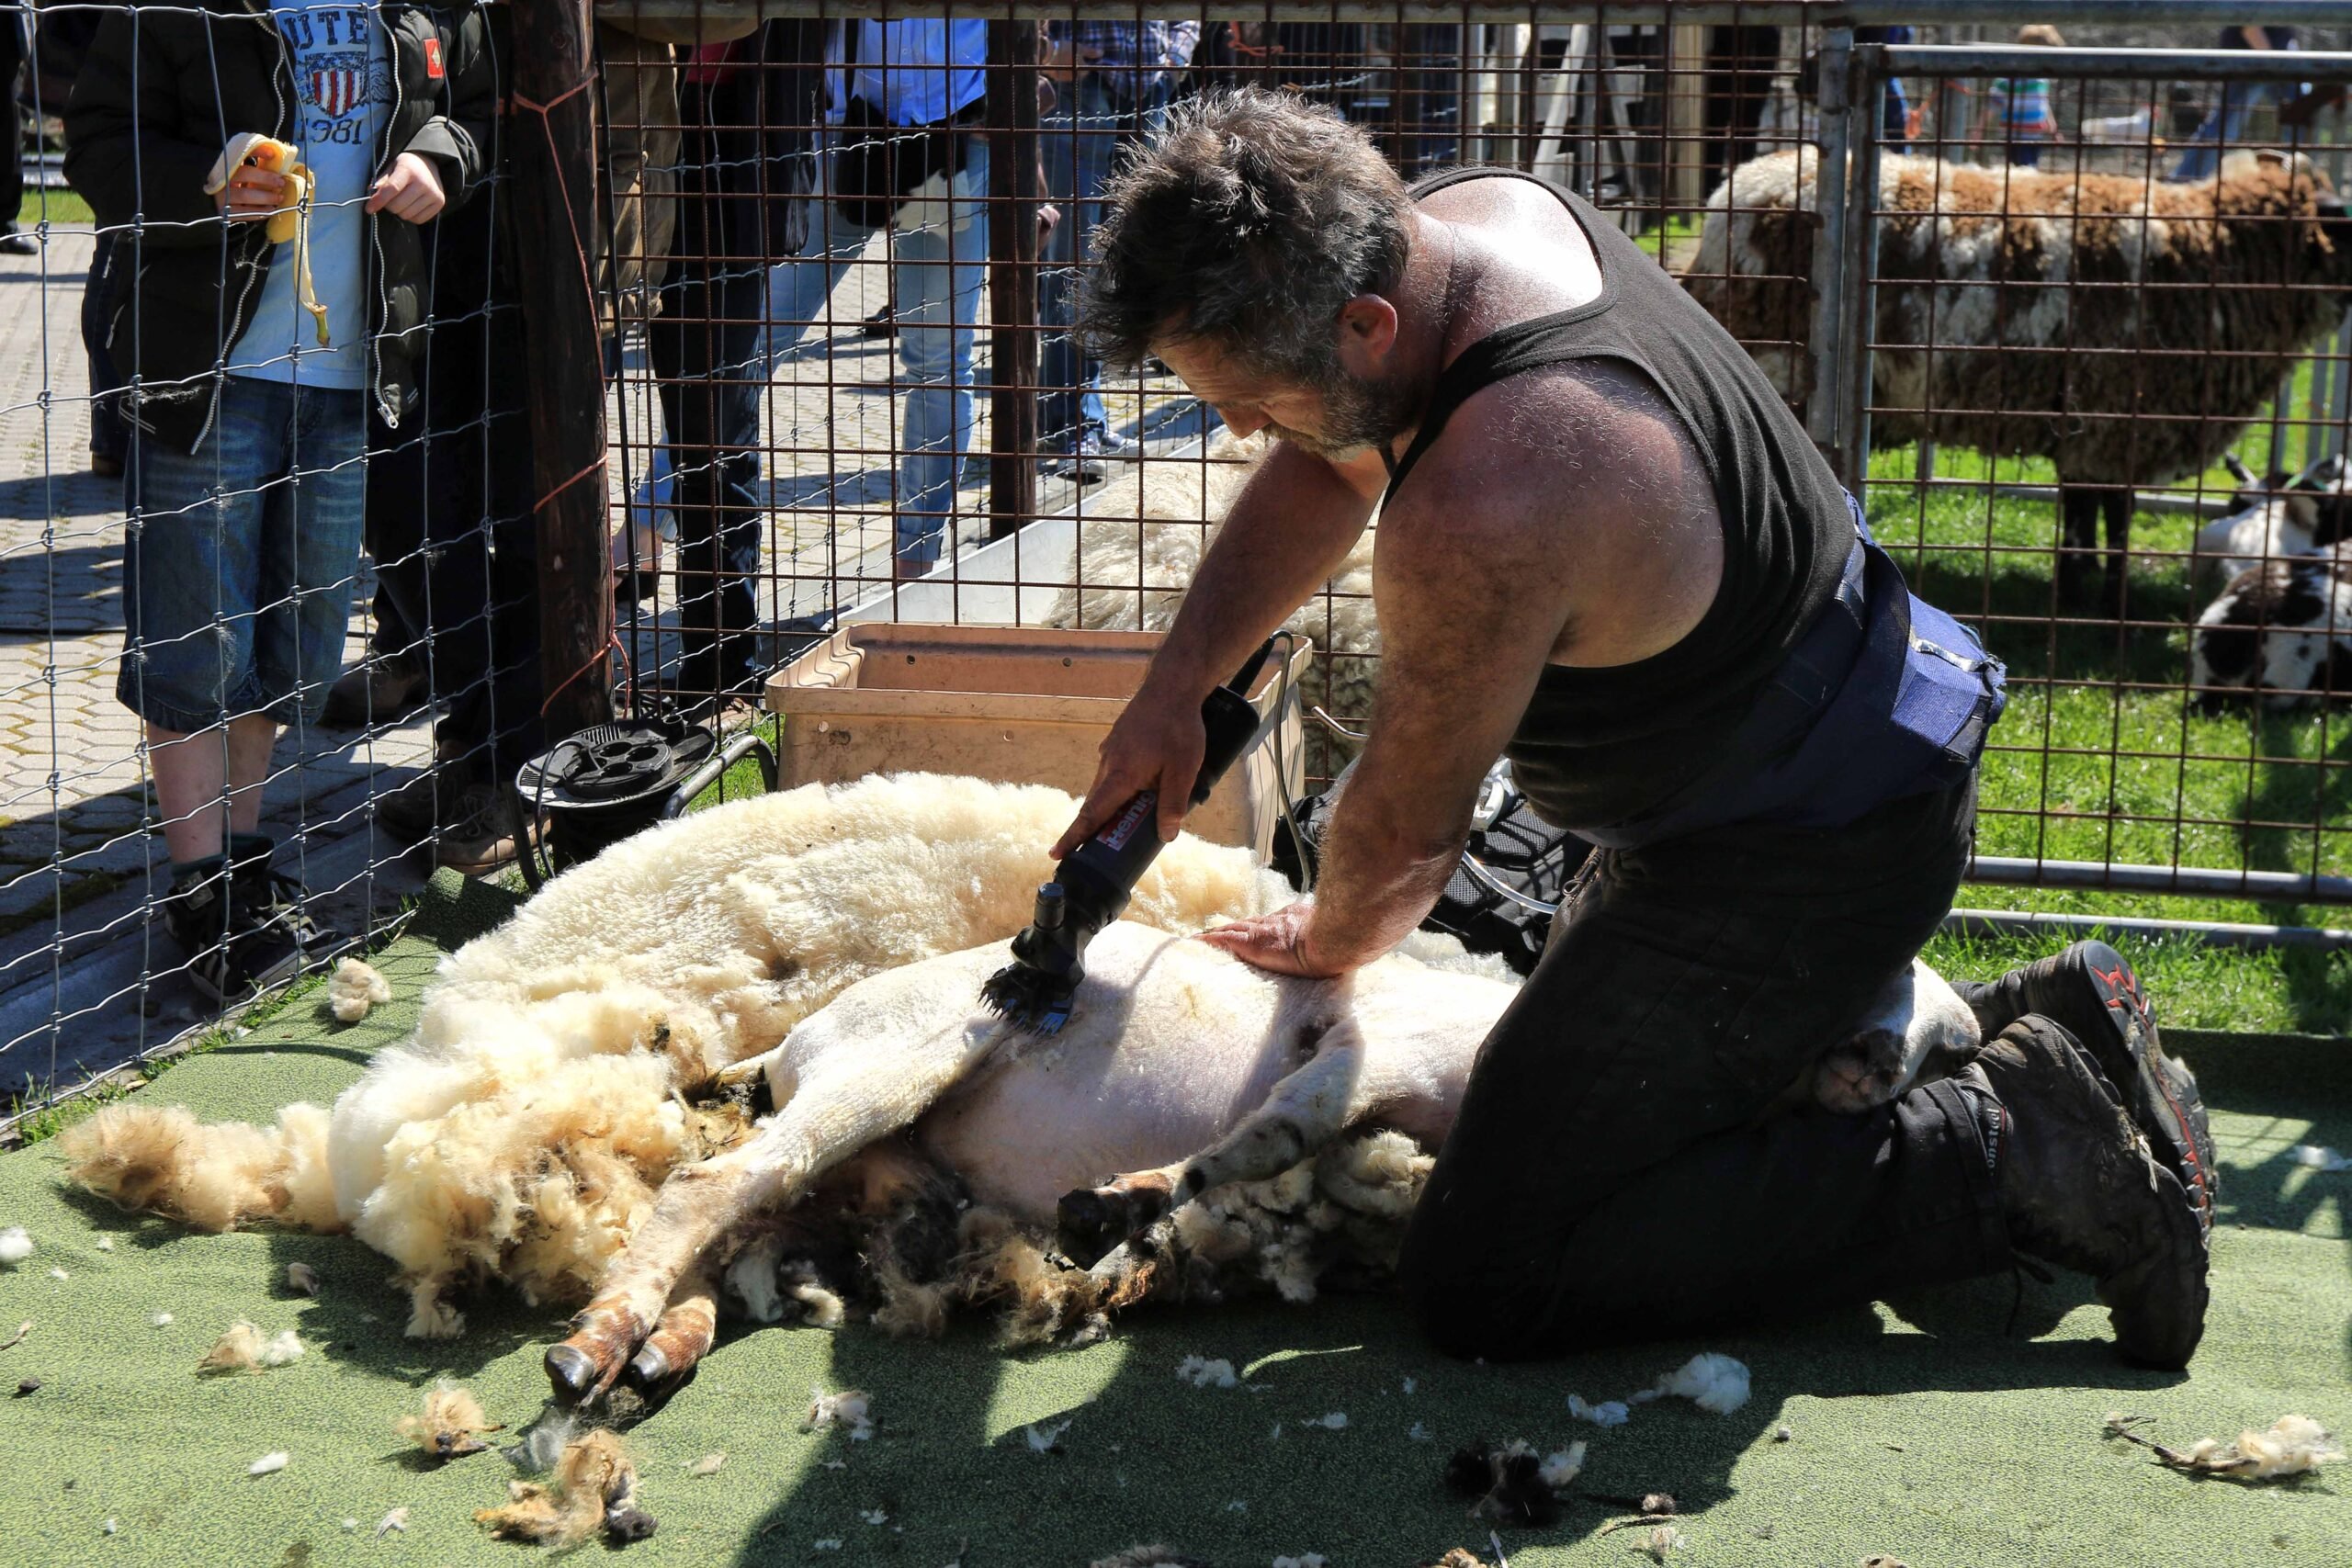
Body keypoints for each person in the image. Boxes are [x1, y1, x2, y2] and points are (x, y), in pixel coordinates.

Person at [1053, 91, 2213, 1367]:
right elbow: (1327, 457)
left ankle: (2011, 1142)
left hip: (1799, 854)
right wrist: (1176, 686)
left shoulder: (1495, 490)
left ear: (1364, 325)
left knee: (1492, 1268)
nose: (1237, 429)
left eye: (1250, 399)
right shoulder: (1455, 224)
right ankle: (2036, 1020)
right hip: (1808, 760)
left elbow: (1402, 836)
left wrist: (1327, 937)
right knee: (1595, 1115)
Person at [66, 0, 494, 1002]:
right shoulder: (173, 6)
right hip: (201, 371)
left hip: (351, 371)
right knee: (192, 637)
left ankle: (245, 859)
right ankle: (197, 883)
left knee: (292, 642)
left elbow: (467, 105)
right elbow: (98, 145)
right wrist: (208, 183)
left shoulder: (416, 6)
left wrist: (439, 160)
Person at [763, 17, 994, 586]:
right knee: (754, 336)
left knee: (940, 363)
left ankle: (915, 569)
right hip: (841, 129)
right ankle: (646, 527)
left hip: (960, 133)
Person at [1035, 17, 1199, 481]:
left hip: (1149, 91)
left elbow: (1187, 13)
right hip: (1080, 86)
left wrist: (1175, 55)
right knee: (1074, 263)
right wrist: (1050, 51)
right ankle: (1070, 427)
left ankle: (1085, 419)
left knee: (1122, 257)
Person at [2173, 26, 2300, 184]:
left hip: (2280, 59)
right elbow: (2249, 21)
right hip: (2253, 58)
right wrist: (2271, 60)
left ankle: (2296, 182)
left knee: (2302, 118)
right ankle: (2182, 183)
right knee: (2224, 128)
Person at [1985, 25, 2061, 167]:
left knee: (2031, 166)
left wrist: (2053, 128)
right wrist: (1979, 130)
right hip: (2015, 135)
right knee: (2024, 168)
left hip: (2036, 135)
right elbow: (1993, 105)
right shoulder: (2008, 80)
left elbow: (2044, 102)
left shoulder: (2042, 79)